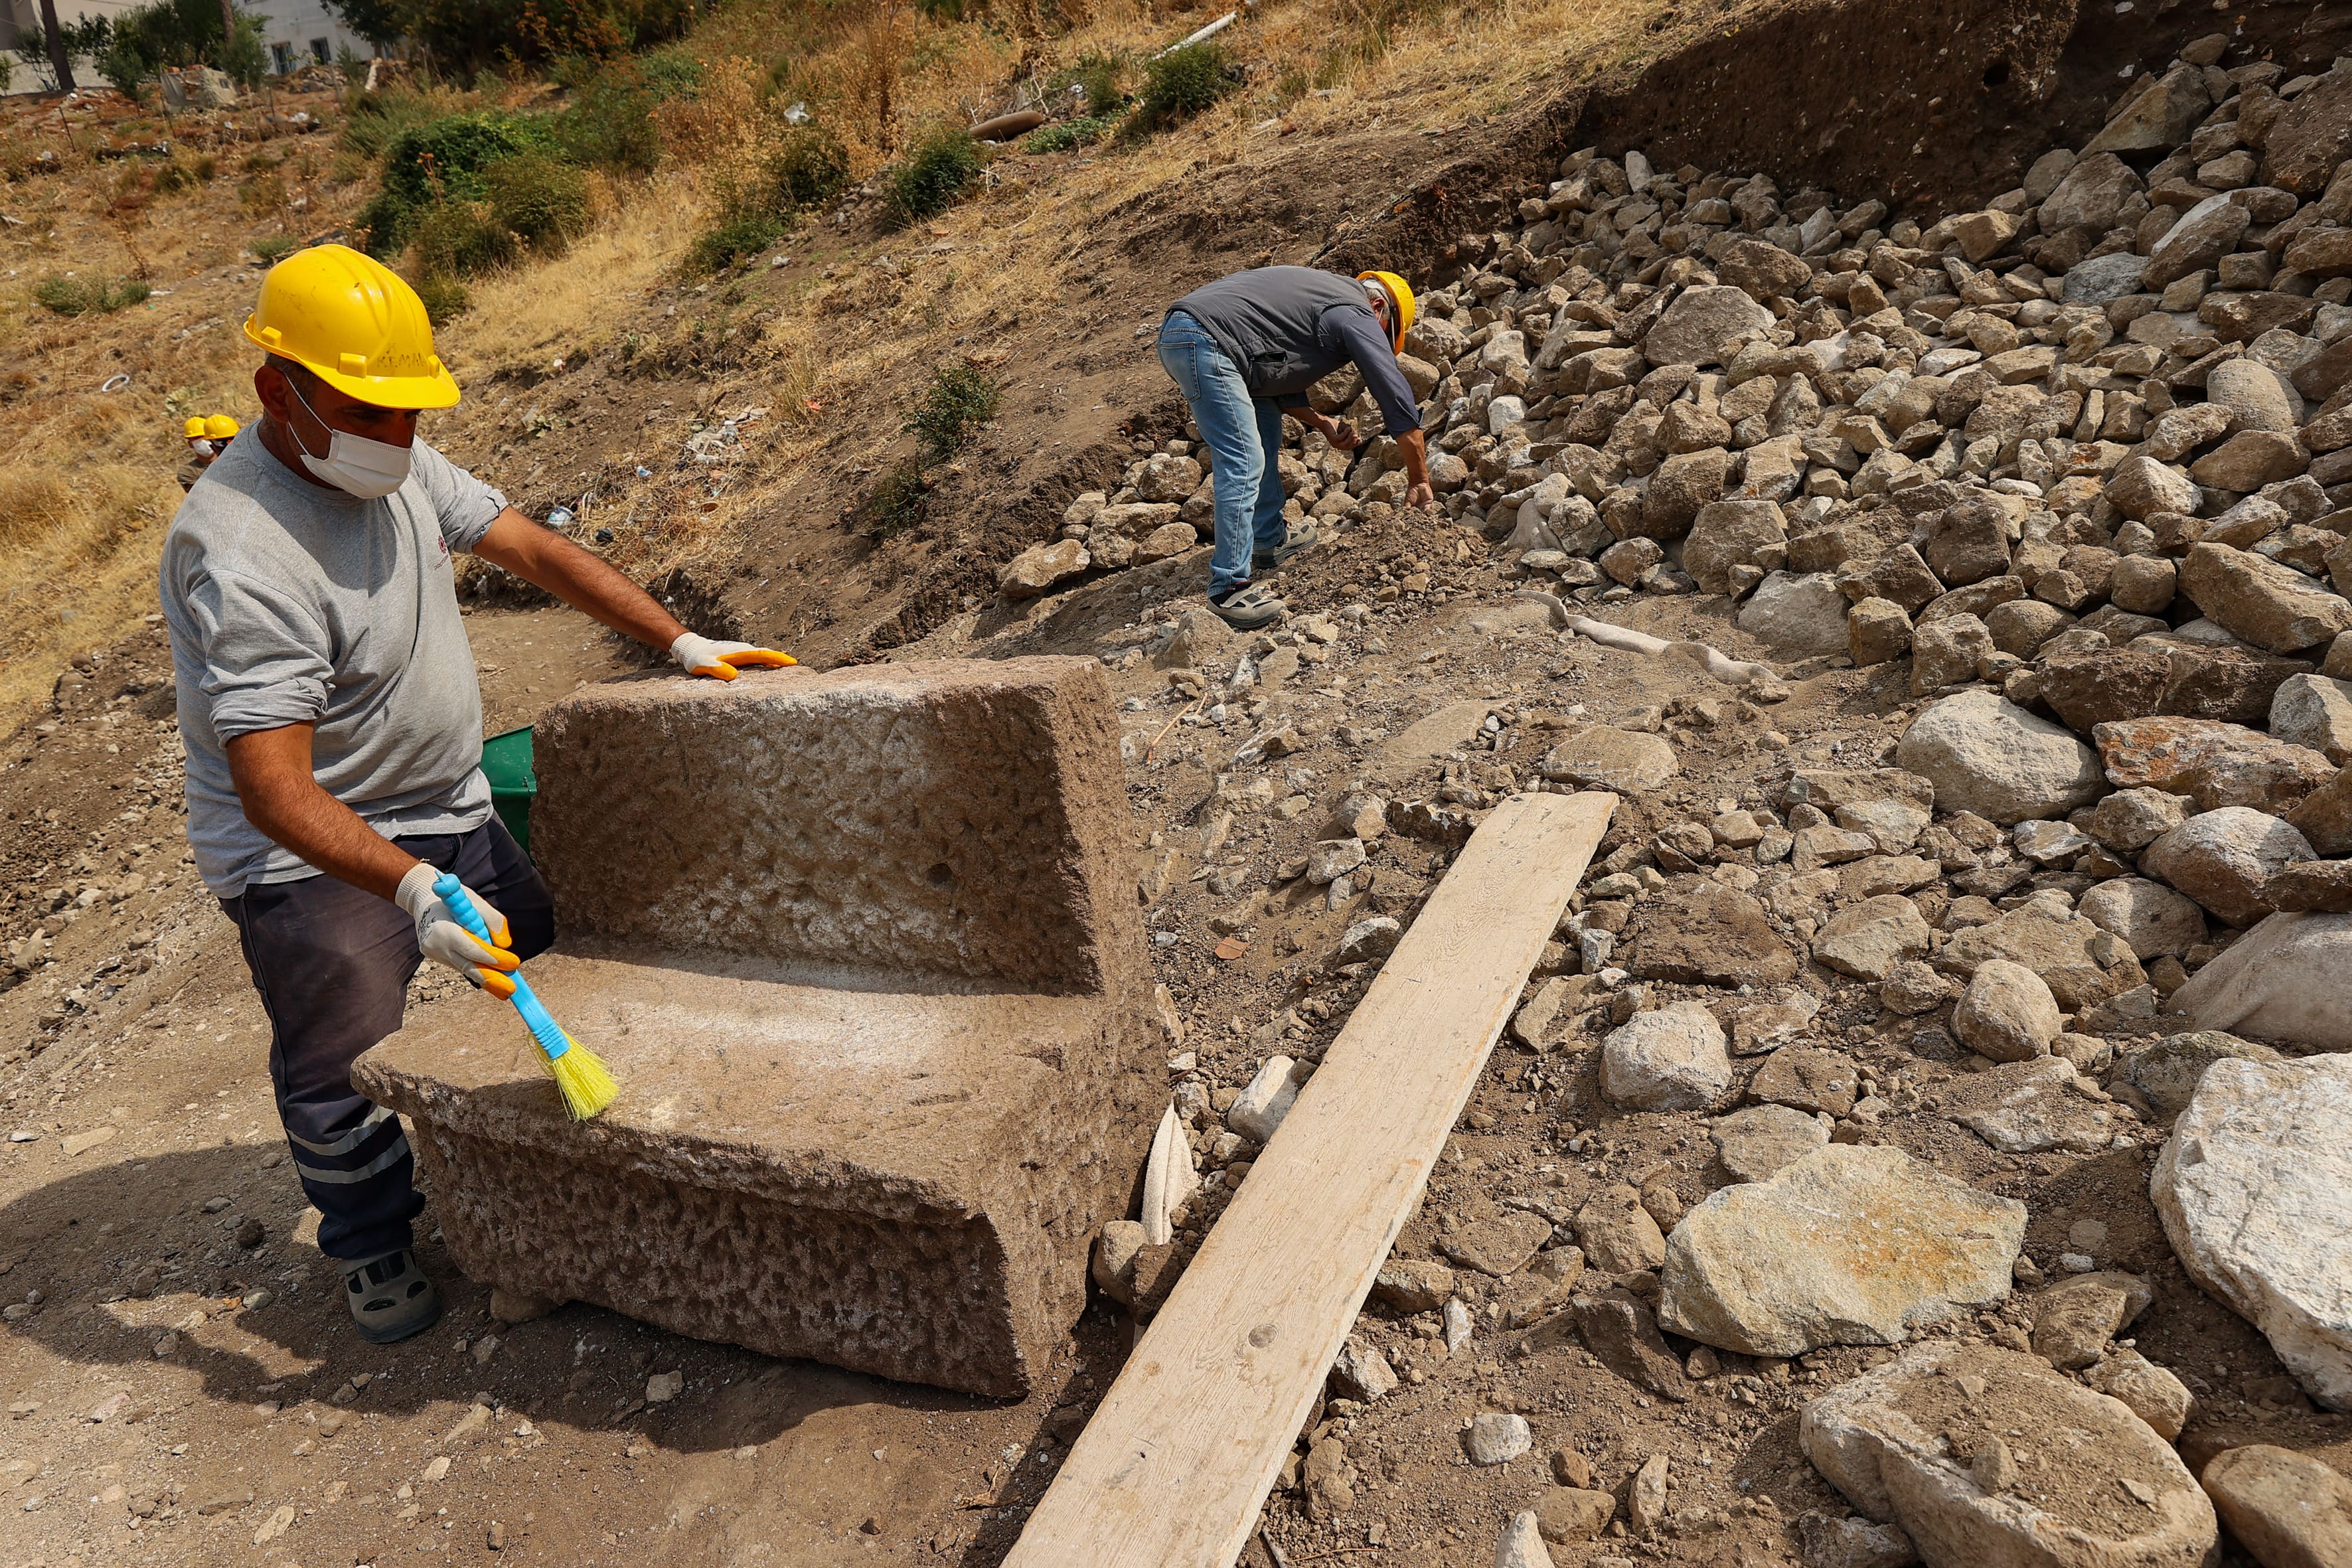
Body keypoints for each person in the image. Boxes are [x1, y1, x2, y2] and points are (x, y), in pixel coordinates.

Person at [159, 244, 797, 1344]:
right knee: (344, 1054)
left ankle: (564, 1159)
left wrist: (680, 640)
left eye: (411, 413)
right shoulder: (243, 550)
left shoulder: (385, 454)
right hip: (310, 853)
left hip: (447, 800)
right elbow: (271, 789)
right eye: (374, 412)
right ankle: (368, 1239)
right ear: (279, 390)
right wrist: (410, 893)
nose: (400, 438)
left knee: (565, 955)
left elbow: (528, 550)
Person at [1156, 266, 1436, 630]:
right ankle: (1228, 588)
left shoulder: (1318, 296)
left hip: (1207, 338)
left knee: (1265, 430)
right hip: (1206, 340)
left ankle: (1269, 541)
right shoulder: (1355, 309)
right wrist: (1419, 478)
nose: (1379, 341)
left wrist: (1322, 423)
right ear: (1379, 306)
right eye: (1386, 335)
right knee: (1243, 459)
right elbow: (1393, 393)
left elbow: (1276, 375)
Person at [176, 414, 241, 491]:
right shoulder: (188, 472)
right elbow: (201, 494)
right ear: (190, 444)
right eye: (197, 438)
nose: (203, 441)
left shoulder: (235, 459)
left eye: (204, 437)